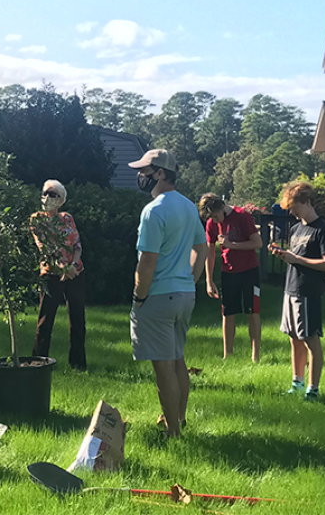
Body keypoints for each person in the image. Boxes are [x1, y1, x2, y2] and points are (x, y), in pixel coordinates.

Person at [128, 149, 209, 437]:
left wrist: (139, 297)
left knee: (163, 368)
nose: (140, 176)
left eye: (145, 171)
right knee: (177, 360)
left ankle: (173, 431)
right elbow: (203, 248)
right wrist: (192, 277)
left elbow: (147, 261)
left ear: (160, 174)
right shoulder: (188, 206)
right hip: (185, 295)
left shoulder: (154, 210)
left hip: (159, 297)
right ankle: (179, 418)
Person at [270, 181, 325, 402]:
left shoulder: (322, 230)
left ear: (307, 202)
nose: (292, 212)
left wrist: (296, 259)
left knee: (310, 339)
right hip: (291, 289)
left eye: (294, 207)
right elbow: (295, 258)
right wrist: (283, 254)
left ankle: (312, 389)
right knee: (293, 338)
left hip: (308, 292)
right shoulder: (297, 229)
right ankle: (296, 383)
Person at [30, 180, 87, 371]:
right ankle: (38, 363)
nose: (47, 197)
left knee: (78, 319)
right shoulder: (36, 220)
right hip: (51, 274)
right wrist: (63, 268)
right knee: (45, 321)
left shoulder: (67, 218)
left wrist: (72, 266)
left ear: (61, 200)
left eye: (53, 194)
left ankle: (78, 364)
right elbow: (44, 249)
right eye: (45, 193)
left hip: (75, 273)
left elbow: (77, 244)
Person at [199, 193, 263, 362]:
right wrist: (209, 280)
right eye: (211, 217)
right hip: (228, 272)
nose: (215, 220)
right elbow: (210, 252)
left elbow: (258, 243)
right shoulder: (211, 224)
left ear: (222, 207)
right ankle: (228, 355)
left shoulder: (242, 216)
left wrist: (232, 245)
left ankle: (255, 357)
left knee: (252, 311)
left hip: (249, 270)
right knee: (228, 313)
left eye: (215, 215)